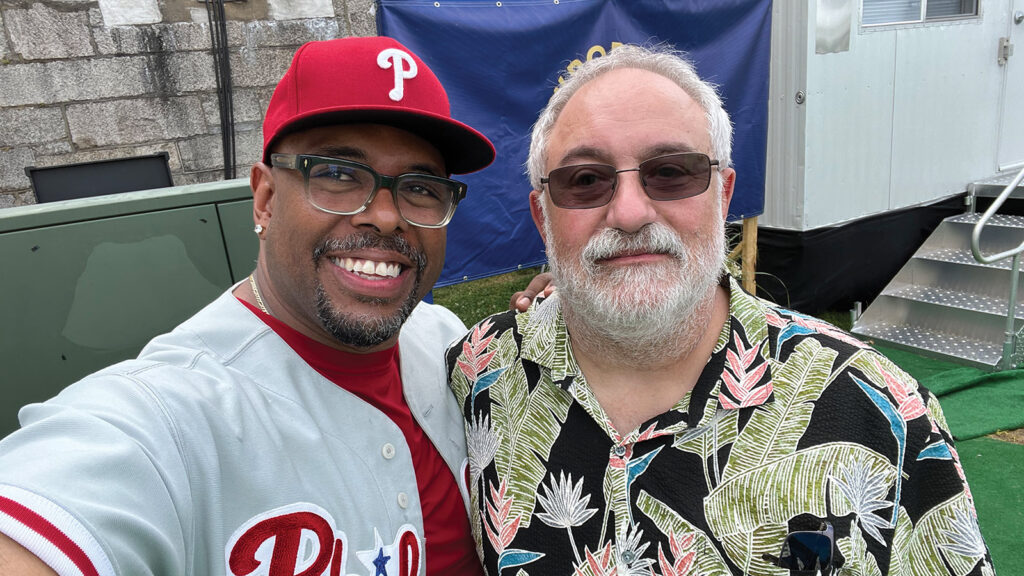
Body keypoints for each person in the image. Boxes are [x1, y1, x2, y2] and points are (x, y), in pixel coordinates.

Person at [447, 43, 995, 575]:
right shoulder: (479, 371)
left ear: (723, 195)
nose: (631, 212)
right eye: (585, 180)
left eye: (670, 172)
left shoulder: (878, 409)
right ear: (543, 219)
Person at [0, 36, 510, 576]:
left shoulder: (447, 337)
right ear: (265, 199)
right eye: (337, 174)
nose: (385, 216)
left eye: (420, 186)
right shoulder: (170, 415)